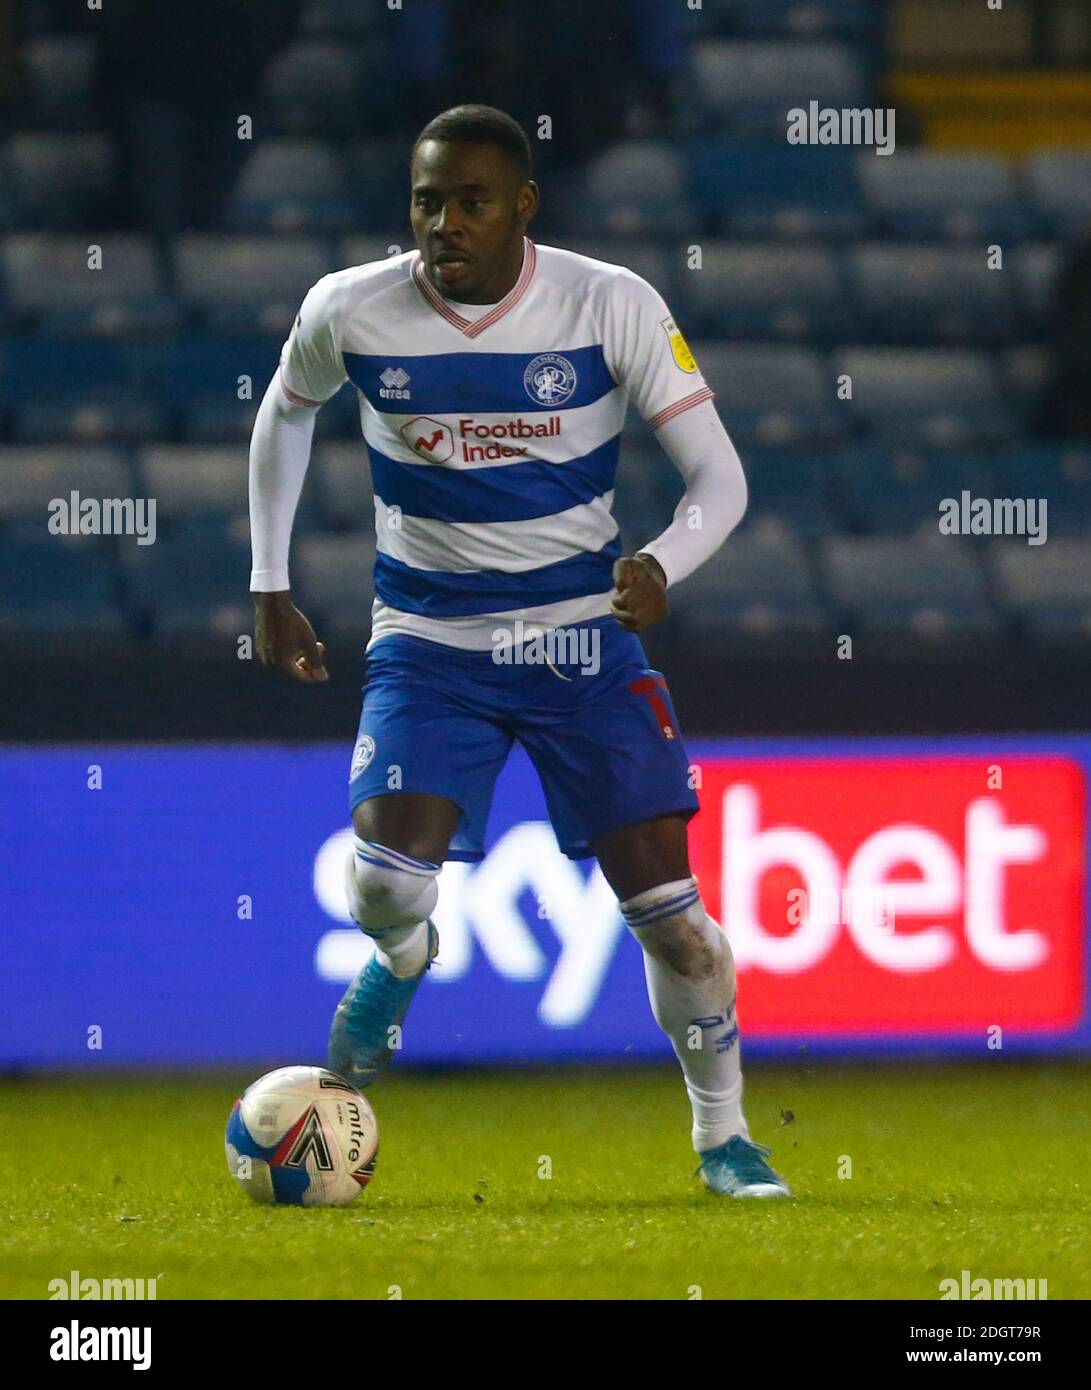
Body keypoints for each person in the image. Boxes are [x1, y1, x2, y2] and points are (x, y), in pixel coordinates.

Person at [248, 104, 788, 1198]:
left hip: (582, 647)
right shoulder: (350, 309)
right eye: (425, 201)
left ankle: (723, 1137)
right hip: (429, 642)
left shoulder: (609, 304)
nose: (442, 224)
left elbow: (720, 481)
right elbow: (283, 414)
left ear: (522, 209)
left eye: (469, 202)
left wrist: (661, 565)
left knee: (675, 928)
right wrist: (269, 584)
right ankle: (406, 958)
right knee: (383, 888)